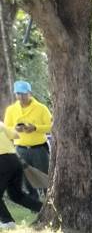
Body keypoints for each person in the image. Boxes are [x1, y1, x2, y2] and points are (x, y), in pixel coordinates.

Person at [3, 80, 52, 211]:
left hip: (39, 148)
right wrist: (15, 129)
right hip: (20, 149)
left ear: (30, 93)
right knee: (28, 179)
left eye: (23, 94)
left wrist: (35, 128)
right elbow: (6, 128)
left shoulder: (41, 108)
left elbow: (50, 127)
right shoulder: (11, 110)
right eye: (18, 94)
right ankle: (36, 208)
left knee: (45, 177)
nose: (21, 97)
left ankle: (52, 205)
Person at [0, 119, 33, 228]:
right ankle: (43, 208)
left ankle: (8, 222)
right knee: (16, 195)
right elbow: (15, 135)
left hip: (2, 161)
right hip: (14, 159)